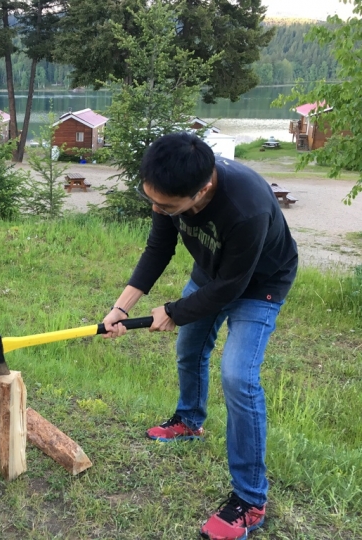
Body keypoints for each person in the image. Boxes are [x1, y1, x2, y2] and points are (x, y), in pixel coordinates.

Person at [102, 132, 298, 540]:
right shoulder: (170, 185)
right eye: (152, 200)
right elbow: (158, 248)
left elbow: (231, 287)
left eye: (167, 206)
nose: (157, 209)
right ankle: (190, 421)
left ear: (203, 189)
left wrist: (173, 312)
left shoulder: (247, 207)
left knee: (238, 377)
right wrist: (121, 308)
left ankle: (250, 501)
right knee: (189, 349)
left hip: (260, 283)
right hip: (212, 273)